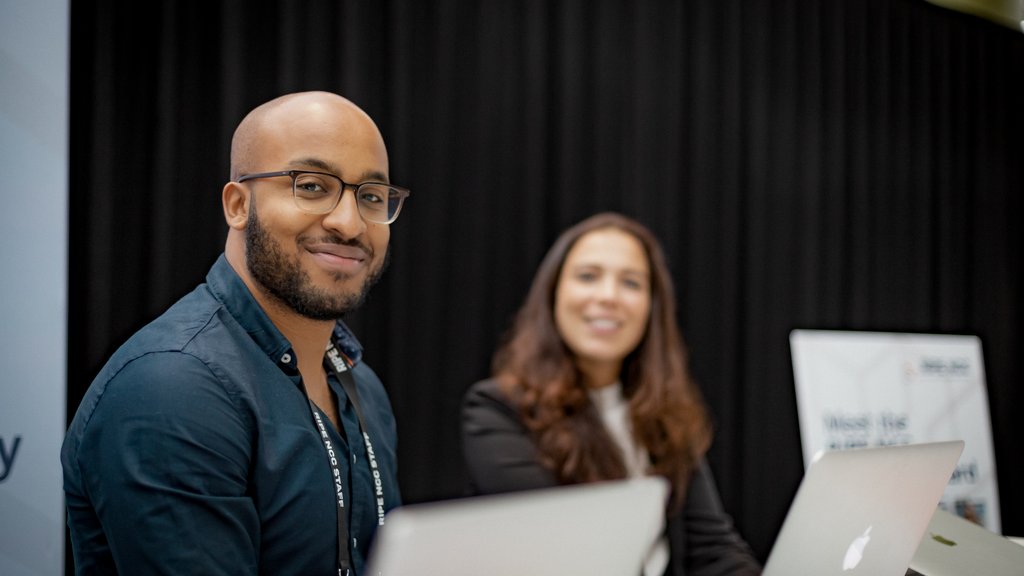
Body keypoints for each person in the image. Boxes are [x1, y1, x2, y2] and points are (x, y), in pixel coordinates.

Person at [61, 91, 409, 575]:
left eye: (371, 197)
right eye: (310, 186)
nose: (349, 224)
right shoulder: (174, 388)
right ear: (238, 204)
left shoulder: (360, 384)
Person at [461, 212, 761, 576]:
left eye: (631, 283)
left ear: (652, 308)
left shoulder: (665, 415)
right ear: (554, 294)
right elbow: (569, 557)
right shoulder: (497, 411)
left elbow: (714, 550)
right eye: (588, 277)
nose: (608, 297)